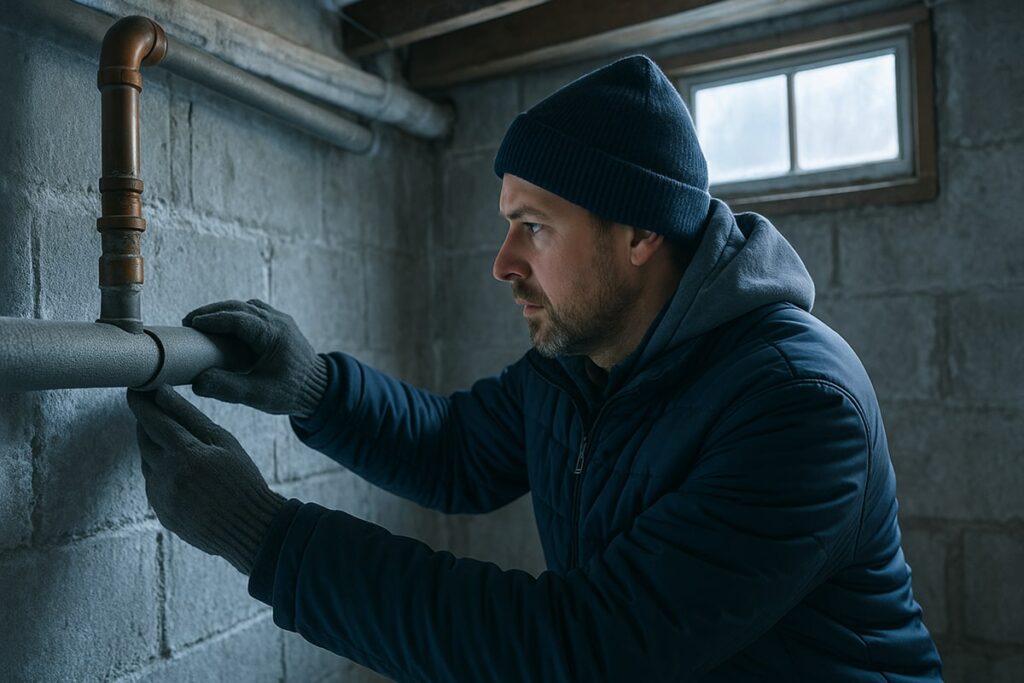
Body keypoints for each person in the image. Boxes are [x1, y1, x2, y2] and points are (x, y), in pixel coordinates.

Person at [126, 55, 943, 681]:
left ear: (639, 233)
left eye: (534, 226)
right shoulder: (584, 360)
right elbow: (457, 449)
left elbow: (583, 648)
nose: (503, 262)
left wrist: (262, 534)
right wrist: (313, 387)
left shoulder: (797, 403)